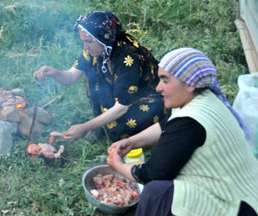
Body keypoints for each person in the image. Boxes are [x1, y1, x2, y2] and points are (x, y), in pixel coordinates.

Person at [107, 48, 258, 216]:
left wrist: (117, 166)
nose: (158, 88)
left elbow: (152, 174)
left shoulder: (191, 121)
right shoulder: (201, 98)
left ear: (189, 83)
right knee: (163, 189)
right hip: (246, 198)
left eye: (165, 81)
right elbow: (166, 125)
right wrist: (133, 141)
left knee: (157, 194)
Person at [33, 11, 165, 142]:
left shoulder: (126, 57)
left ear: (103, 39)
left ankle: (111, 127)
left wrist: (85, 127)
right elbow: (71, 76)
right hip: (122, 95)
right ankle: (102, 123)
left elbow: (122, 107)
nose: (85, 47)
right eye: (83, 41)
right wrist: (54, 73)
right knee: (93, 75)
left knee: (120, 128)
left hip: (146, 99)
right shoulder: (95, 50)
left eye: (89, 41)